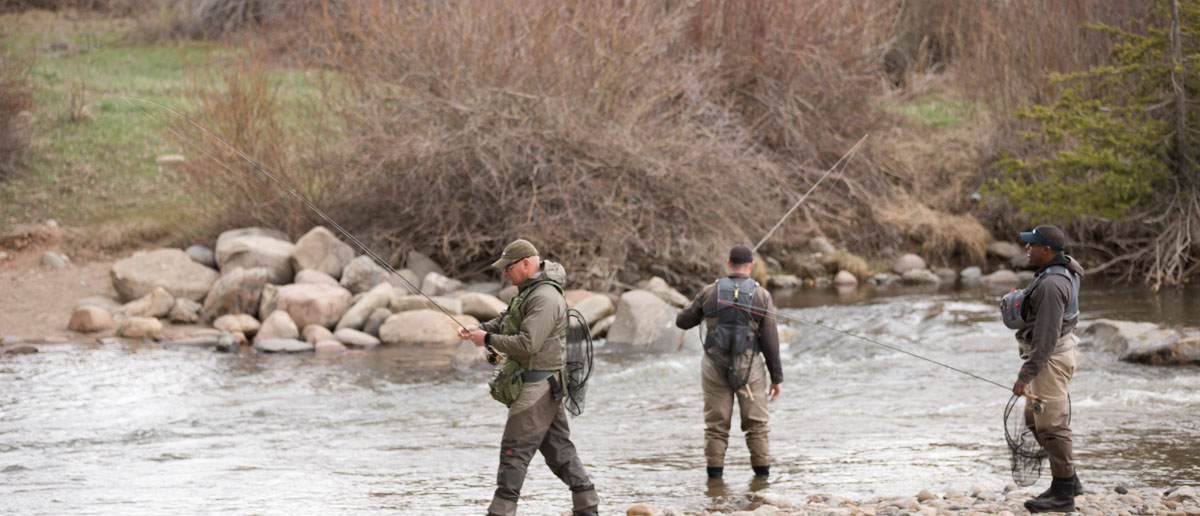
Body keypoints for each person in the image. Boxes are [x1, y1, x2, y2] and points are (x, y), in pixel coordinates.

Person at [458, 238, 599, 516]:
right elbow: (509, 320)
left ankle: (500, 512)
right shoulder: (528, 291)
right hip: (544, 384)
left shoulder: (545, 297)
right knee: (559, 449)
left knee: (514, 451)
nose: (504, 273)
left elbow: (527, 344)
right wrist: (482, 327)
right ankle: (588, 507)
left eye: (507, 267)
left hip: (538, 385)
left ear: (526, 263)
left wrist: (486, 339)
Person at [675, 244, 783, 480]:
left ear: (728, 264)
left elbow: (682, 322)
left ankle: (714, 483)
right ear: (751, 266)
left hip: (714, 367)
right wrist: (777, 378)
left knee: (716, 427)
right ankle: (762, 482)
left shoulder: (709, 292)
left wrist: (700, 305)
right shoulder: (761, 295)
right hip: (750, 369)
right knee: (756, 426)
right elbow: (771, 341)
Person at [1012, 225, 1085, 513]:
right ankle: (1071, 480)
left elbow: (1045, 338)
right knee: (1034, 418)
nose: (1028, 248)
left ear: (1048, 250)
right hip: (1054, 356)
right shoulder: (1062, 270)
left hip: (1052, 360)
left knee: (1052, 427)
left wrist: (1025, 376)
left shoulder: (1053, 285)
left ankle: (1063, 494)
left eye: (1033, 245)